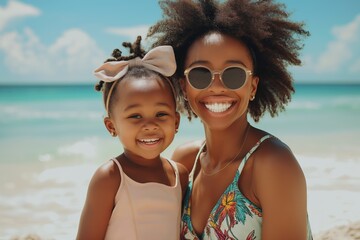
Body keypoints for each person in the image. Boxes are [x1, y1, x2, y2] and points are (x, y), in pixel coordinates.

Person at [148, 0, 312, 239]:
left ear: (252, 86)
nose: (217, 87)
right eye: (200, 74)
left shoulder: (273, 164)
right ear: (184, 88)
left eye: (233, 74)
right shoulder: (185, 162)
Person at [76, 36, 189, 240]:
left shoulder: (179, 175)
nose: (150, 125)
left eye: (161, 114)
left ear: (176, 122)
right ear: (111, 126)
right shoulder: (110, 177)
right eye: (135, 116)